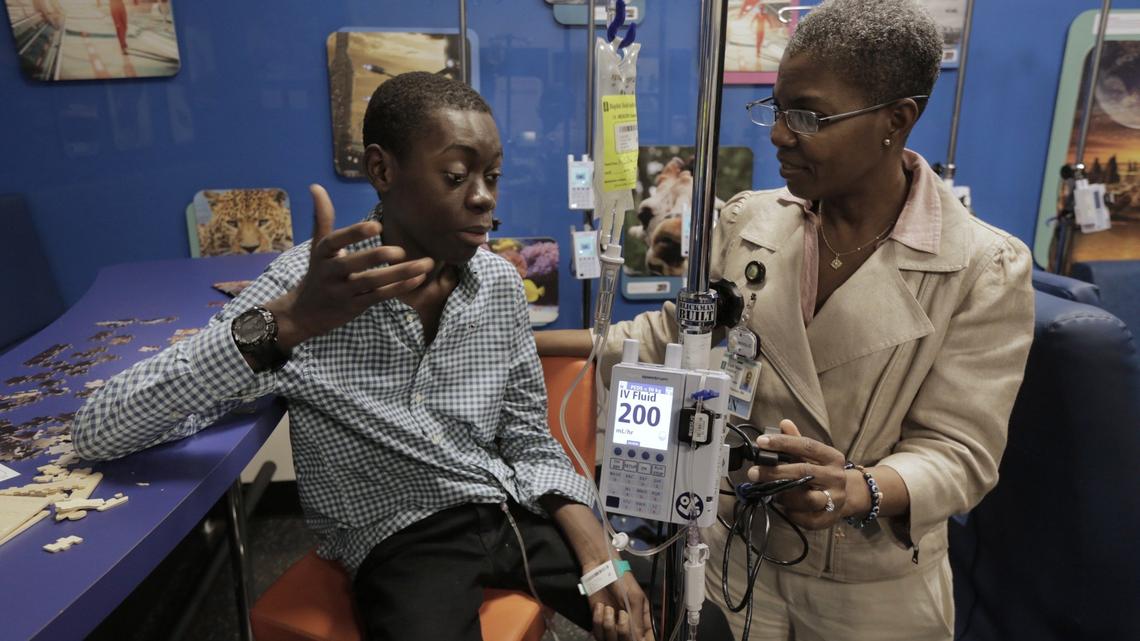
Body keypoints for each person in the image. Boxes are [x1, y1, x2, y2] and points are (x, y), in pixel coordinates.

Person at [72, 72, 652, 641]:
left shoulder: (498, 284)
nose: (483, 197)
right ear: (382, 170)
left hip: (507, 505)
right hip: (401, 536)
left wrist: (601, 559)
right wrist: (285, 326)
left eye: (492, 176)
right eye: (456, 176)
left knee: (662, 603)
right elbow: (99, 429)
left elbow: (527, 438)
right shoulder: (305, 289)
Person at [536, 1, 1034, 639]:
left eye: (808, 116)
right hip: (733, 561)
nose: (777, 134)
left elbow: (960, 453)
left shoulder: (982, 268)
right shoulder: (749, 222)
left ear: (896, 120)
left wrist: (857, 489)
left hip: (866, 588)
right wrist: (517, 336)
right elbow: (668, 335)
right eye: (776, 109)